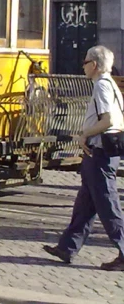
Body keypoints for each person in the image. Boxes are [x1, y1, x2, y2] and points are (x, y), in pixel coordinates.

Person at [43, 45, 124, 271]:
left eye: (86, 61)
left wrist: (84, 135)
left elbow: (107, 121)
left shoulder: (101, 86)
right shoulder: (111, 85)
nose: (83, 66)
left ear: (94, 65)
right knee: (85, 205)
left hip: (99, 154)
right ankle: (67, 247)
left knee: (108, 206)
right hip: (99, 153)